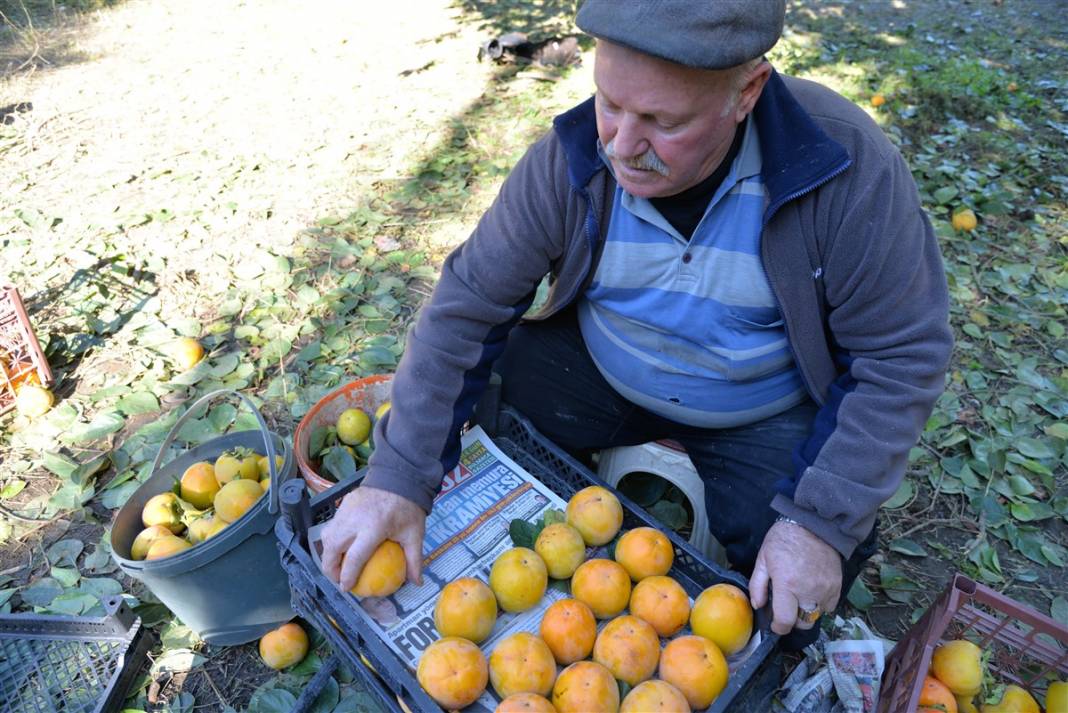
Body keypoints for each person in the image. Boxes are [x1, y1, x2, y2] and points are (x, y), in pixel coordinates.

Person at [320, 0, 952, 648]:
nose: (621, 145)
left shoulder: (840, 163)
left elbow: (902, 352)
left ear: (748, 92)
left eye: (660, 120)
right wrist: (397, 476)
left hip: (758, 405)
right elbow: (469, 300)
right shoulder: (572, 158)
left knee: (790, 600)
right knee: (493, 418)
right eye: (610, 102)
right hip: (601, 366)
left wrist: (818, 524)